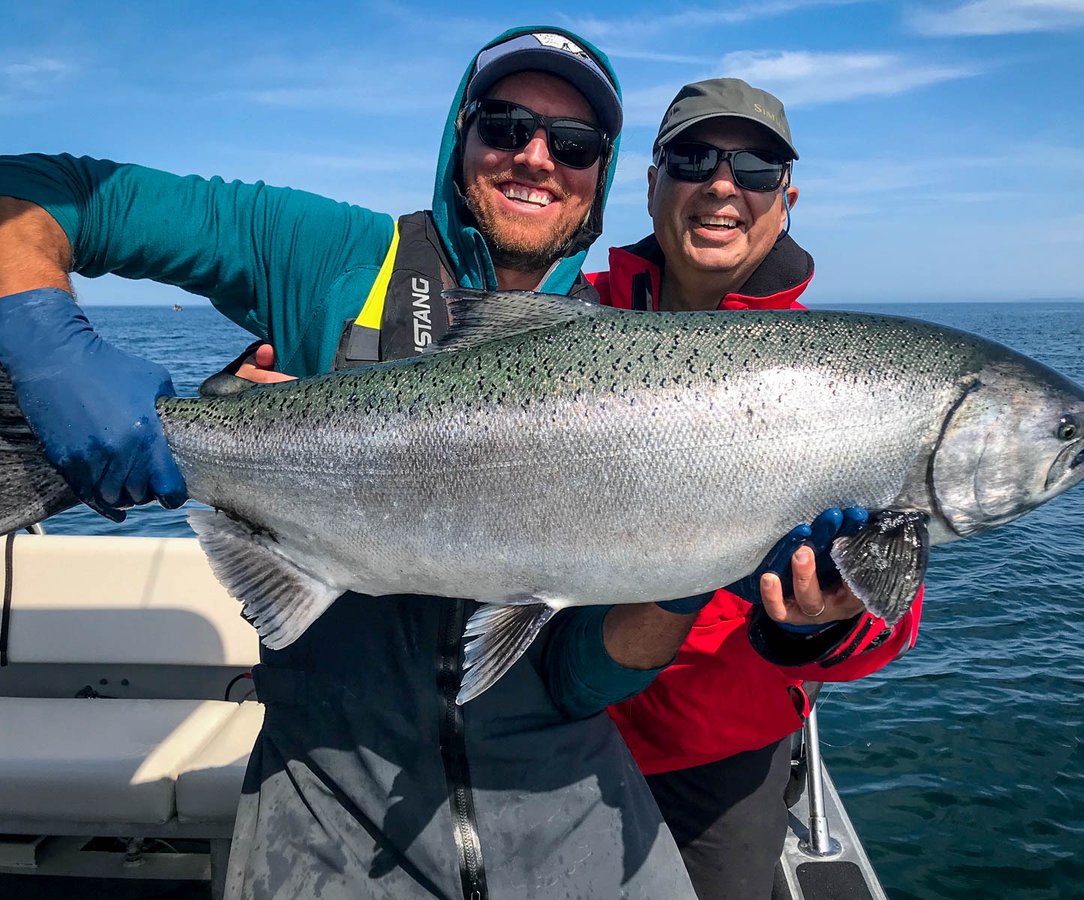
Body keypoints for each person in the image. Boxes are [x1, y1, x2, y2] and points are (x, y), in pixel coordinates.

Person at [0, 26, 723, 900]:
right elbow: (44, 192)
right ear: (459, 135)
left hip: (571, 805)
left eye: (573, 145)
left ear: (600, 176)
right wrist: (49, 346)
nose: (535, 158)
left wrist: (697, 566)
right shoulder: (333, 255)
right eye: (504, 125)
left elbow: (581, 678)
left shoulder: (630, 365)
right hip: (327, 805)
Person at [590, 79, 925, 900]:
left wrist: (814, 629)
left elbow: (892, 616)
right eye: (695, 158)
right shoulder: (573, 317)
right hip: (555, 720)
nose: (722, 184)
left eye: (757, 165)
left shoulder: (841, 377)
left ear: (788, 197)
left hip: (719, 758)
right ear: (653, 182)